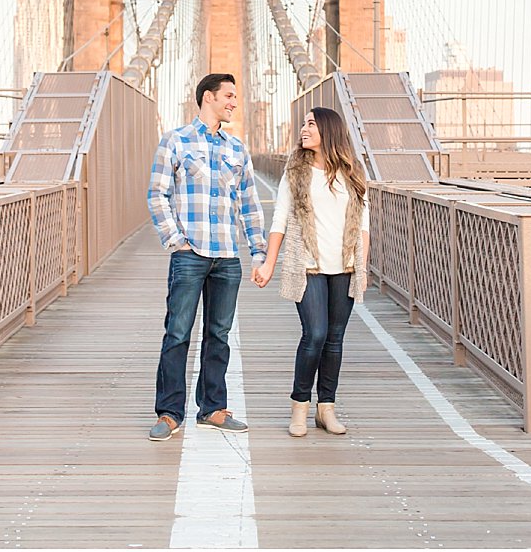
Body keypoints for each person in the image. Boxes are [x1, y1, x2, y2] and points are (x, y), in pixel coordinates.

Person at [146, 73, 268, 441]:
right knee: (178, 333)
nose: (234, 102)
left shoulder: (237, 149)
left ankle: (212, 408)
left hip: (227, 257)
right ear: (208, 98)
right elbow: (157, 195)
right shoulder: (175, 141)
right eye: (228, 96)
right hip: (190, 253)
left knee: (219, 334)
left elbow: (250, 205)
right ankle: (169, 414)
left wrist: (259, 253)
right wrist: (176, 241)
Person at [251, 106, 369, 437]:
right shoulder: (296, 171)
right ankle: (299, 406)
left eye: (311, 124)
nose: (304, 129)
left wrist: (362, 266)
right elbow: (280, 219)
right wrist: (269, 263)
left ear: (328, 130)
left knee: (334, 340)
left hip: (344, 266)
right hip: (308, 265)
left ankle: (326, 408)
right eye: (304, 123)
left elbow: (364, 223)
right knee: (314, 334)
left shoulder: (352, 172)